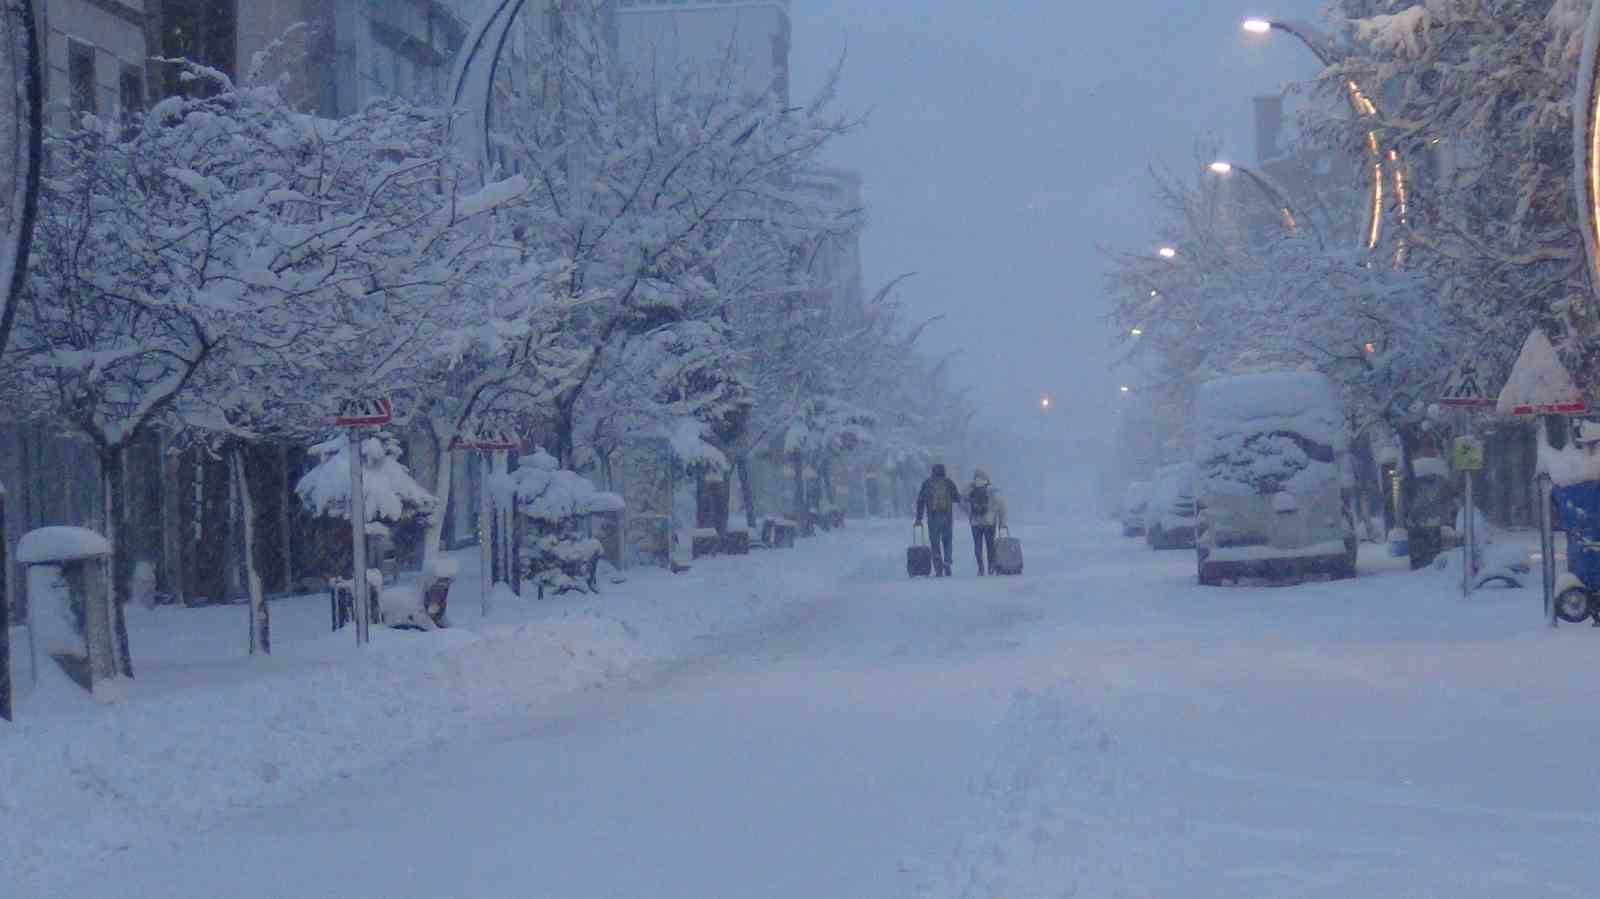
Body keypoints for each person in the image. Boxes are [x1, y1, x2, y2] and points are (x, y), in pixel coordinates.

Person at [915, 463, 962, 577]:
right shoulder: (948, 483)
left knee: (935, 542)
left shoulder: (927, 484)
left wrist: (919, 518)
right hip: (947, 516)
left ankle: (938, 567)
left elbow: (920, 501)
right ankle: (947, 562)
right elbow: (957, 498)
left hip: (933, 517)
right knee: (947, 541)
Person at [965, 469, 1007, 575]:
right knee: (990, 544)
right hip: (989, 522)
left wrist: (969, 513)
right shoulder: (992, 489)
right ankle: (991, 566)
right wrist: (1002, 521)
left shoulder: (970, 489)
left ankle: (980, 567)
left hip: (975, 523)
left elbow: (962, 501)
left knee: (977, 545)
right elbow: (1001, 506)